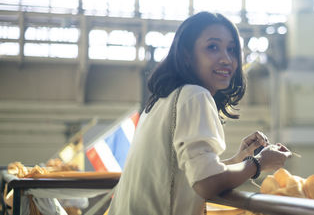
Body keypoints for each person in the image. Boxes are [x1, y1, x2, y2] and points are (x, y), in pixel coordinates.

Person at [108, 12, 292, 215]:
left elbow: (189, 176)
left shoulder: (162, 100)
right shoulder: (195, 95)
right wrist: (258, 163)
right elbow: (206, 183)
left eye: (231, 49)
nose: (226, 59)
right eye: (213, 47)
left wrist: (240, 159)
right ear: (187, 54)